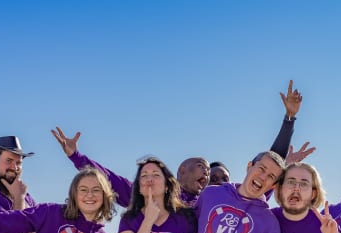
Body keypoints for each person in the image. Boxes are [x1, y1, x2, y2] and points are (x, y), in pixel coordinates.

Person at [50, 79, 306, 208]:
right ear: (181, 170)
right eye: (202, 167)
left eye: (218, 176)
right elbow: (111, 181)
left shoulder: (222, 203)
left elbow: (266, 171)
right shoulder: (158, 196)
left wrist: (289, 120)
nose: (211, 176)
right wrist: (76, 157)